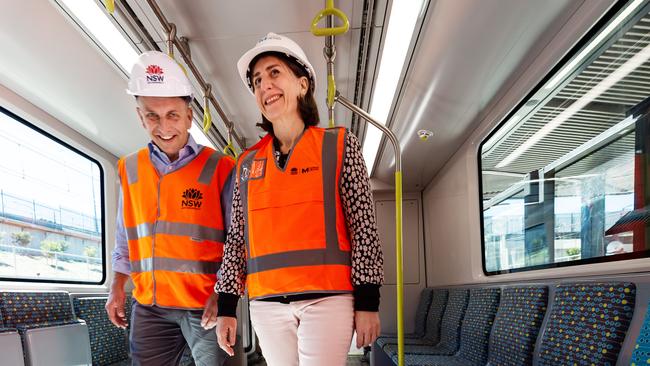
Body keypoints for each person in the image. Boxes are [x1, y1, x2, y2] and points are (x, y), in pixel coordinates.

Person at [216, 32, 384, 366]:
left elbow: (363, 228)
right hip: (266, 303)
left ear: (302, 84)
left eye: (274, 72)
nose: (265, 85)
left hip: (328, 299)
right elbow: (237, 239)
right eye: (257, 81)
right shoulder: (246, 163)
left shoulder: (339, 146)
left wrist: (368, 302)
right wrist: (226, 307)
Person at [106, 50, 234, 366]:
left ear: (189, 116)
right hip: (149, 305)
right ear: (140, 116)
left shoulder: (221, 168)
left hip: (204, 303)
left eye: (173, 115)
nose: (163, 126)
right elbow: (125, 237)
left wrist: (225, 297)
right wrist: (117, 285)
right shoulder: (128, 168)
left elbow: (237, 244)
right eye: (152, 115)